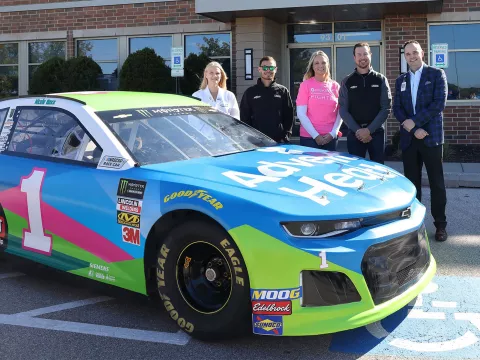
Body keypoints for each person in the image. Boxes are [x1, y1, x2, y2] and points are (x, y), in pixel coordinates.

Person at [393, 40, 448, 242]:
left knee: (437, 183)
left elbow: (438, 104)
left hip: (430, 137)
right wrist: (413, 129)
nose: (412, 56)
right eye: (408, 54)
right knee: (412, 185)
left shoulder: (436, 74)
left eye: (415, 52)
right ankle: (414, 227)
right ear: (405, 57)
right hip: (410, 140)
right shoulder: (401, 80)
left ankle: (440, 225)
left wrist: (415, 123)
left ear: (422, 53)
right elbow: (397, 108)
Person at [339, 42, 392, 163]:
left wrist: (369, 130)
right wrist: (358, 130)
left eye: (365, 53)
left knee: (378, 169)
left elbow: (386, 107)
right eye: (359, 54)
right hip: (354, 133)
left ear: (370, 55)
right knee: (355, 170)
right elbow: (343, 109)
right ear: (354, 57)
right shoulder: (347, 81)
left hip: (376, 133)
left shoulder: (381, 79)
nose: (362, 57)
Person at [295, 50, 342, 151]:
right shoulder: (305, 85)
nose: (320, 65)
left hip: (330, 138)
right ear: (312, 66)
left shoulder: (335, 86)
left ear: (328, 65)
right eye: (317, 63)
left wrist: (333, 133)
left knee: (330, 167)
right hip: (309, 138)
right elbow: (301, 114)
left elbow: (340, 112)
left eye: (323, 62)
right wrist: (316, 135)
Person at [240, 56, 294, 143]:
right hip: (256, 141)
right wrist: (250, 137)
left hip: (278, 141)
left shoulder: (283, 91)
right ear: (259, 69)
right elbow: (244, 117)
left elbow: (289, 116)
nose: (268, 70)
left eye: (271, 67)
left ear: (275, 69)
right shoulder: (250, 92)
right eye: (265, 67)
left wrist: (285, 136)